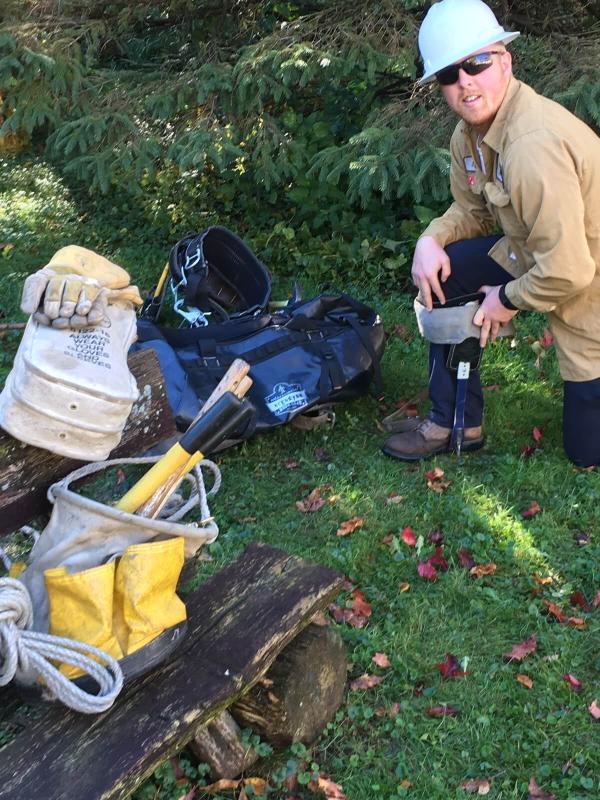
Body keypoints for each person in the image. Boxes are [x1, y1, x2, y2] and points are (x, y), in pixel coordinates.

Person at [382, 0, 600, 466]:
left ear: (505, 61)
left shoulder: (530, 146)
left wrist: (505, 299)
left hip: (588, 288)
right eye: (448, 74)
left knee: (587, 454)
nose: (465, 81)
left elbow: (570, 270)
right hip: (541, 260)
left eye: (476, 63)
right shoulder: (469, 136)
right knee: (447, 270)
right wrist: (431, 240)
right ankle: (454, 421)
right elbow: (473, 210)